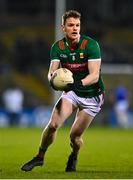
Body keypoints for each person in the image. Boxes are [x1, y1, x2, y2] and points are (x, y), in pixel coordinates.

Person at [21, 10, 105, 172]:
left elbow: (94, 76)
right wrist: (52, 79)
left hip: (92, 96)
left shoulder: (91, 45)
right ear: (63, 28)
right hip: (72, 92)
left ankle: (74, 154)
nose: (75, 29)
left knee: (75, 137)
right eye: (71, 25)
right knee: (53, 124)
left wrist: (78, 83)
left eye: (78, 25)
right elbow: (51, 71)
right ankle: (39, 157)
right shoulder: (57, 47)